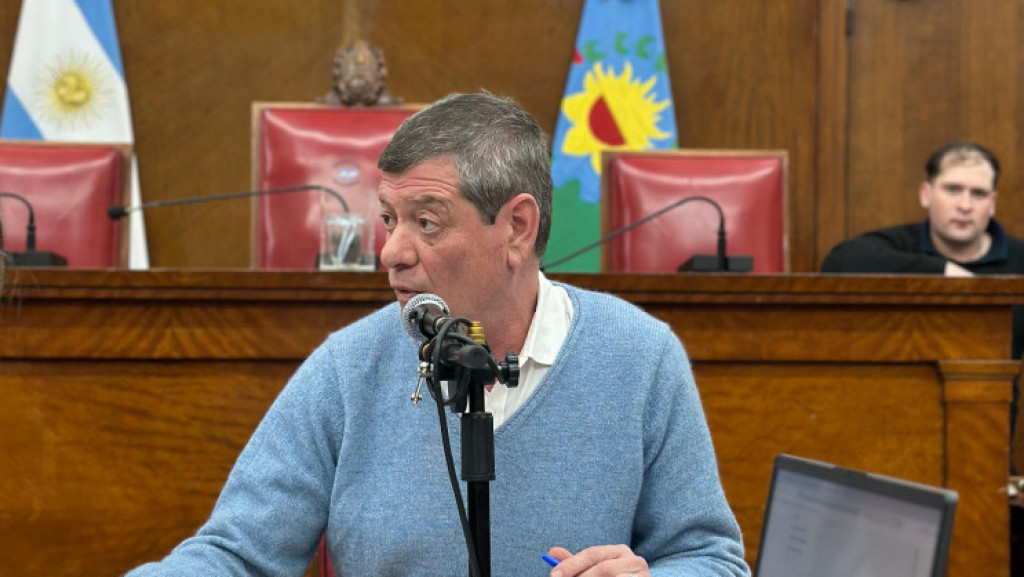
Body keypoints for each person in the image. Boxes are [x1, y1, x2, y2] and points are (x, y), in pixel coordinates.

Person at [126, 92, 749, 577]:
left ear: (517, 228)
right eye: (388, 220)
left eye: (426, 222)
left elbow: (711, 558)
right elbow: (237, 556)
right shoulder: (349, 367)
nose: (391, 253)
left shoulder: (640, 357)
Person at [821, 139, 1024, 464]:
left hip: (987, 443)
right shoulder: (899, 244)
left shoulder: (1019, 259)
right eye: (953, 190)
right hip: (896, 435)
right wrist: (945, 273)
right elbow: (838, 261)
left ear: (993, 203)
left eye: (978, 194)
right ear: (926, 194)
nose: (965, 205)